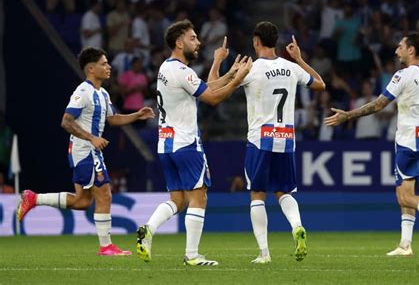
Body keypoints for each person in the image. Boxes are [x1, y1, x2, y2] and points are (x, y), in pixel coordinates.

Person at [324, 32, 419, 256]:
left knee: (404, 196)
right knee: (408, 193)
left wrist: (348, 115)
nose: (396, 51)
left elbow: (378, 105)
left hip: (408, 140)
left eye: (400, 47)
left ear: (411, 50)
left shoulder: (403, 75)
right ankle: (405, 245)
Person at [17, 47, 155, 256]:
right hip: (85, 150)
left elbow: (112, 119)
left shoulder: (103, 93)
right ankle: (106, 246)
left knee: (82, 202)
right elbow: (66, 121)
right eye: (104, 63)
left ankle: (33, 199)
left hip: (90, 151)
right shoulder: (83, 92)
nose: (109, 67)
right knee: (105, 194)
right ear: (91, 69)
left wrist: (136, 115)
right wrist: (91, 137)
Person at [136, 19, 252, 266]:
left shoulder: (167, 69)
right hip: (186, 143)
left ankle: (148, 228)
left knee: (177, 200)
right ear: (179, 43)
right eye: (193, 38)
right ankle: (192, 255)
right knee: (199, 197)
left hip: (166, 143)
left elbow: (203, 87)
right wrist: (238, 79)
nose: (198, 42)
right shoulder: (183, 71)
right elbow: (212, 98)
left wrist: (228, 71)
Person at [235, 22, 325, 264]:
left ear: (256, 42)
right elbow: (320, 84)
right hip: (286, 138)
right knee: (284, 192)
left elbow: (216, 88)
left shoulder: (251, 69)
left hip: (259, 139)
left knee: (257, 194)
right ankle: (297, 226)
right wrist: (299, 59)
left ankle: (264, 253)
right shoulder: (290, 68)